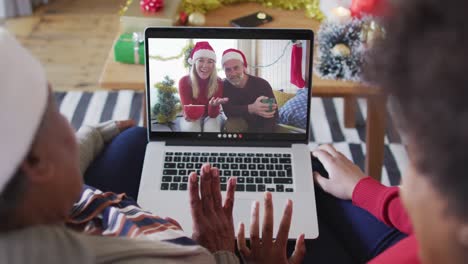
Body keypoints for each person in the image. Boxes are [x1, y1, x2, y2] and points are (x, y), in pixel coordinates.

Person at [0, 28, 306, 264]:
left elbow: (220, 113)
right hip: (197, 240)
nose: (71, 125)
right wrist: (222, 253)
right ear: (37, 162)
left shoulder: (39, 200)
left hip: (106, 204)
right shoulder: (181, 259)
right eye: (55, 114)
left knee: (136, 137)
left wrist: (93, 132)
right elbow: (193, 113)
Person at [221, 48, 278, 133]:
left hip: (261, 127)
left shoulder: (262, 84)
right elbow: (228, 111)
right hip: (239, 126)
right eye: (228, 69)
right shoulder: (224, 86)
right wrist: (251, 108)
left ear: (244, 67)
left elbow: (272, 114)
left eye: (236, 68)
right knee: (232, 124)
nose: (233, 73)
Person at [178, 41, 228, 132]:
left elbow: (213, 115)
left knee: (211, 129)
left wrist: (213, 106)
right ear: (194, 63)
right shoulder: (184, 81)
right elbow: (189, 112)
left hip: (212, 116)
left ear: (213, 65)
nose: (205, 66)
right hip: (192, 116)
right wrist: (188, 114)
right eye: (201, 60)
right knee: (191, 128)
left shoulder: (218, 82)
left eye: (210, 62)